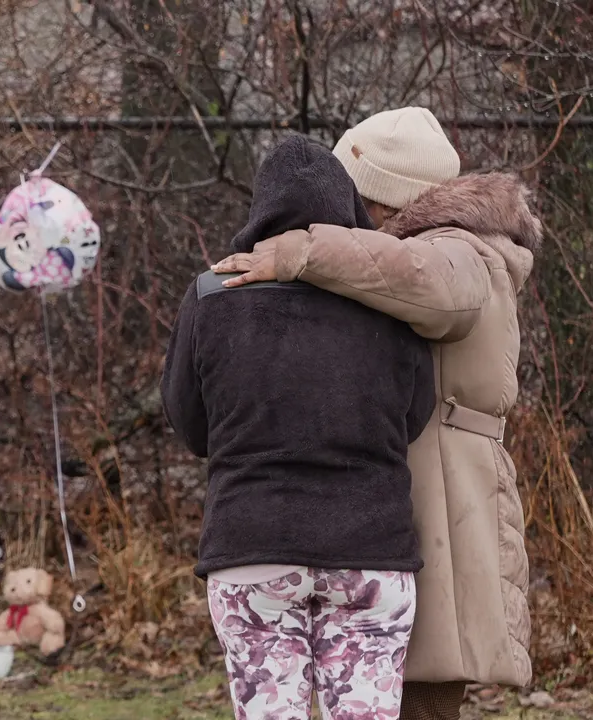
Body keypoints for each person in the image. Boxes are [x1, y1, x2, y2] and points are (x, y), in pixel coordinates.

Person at [212, 107, 542, 720]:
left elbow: (432, 286)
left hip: (445, 491)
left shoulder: (460, 250)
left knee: (425, 693)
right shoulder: (428, 253)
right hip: (416, 487)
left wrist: (305, 250)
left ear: (385, 199)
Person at [161, 134, 436, 719]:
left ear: (260, 210)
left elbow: (189, 423)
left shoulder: (211, 295)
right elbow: (414, 417)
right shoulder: (389, 301)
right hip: (370, 550)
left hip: (251, 545)